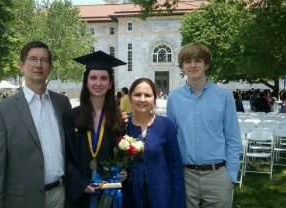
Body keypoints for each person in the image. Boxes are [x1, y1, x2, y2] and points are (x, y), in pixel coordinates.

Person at [0, 41, 71, 208]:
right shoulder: (2, 111)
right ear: (21, 66)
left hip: (60, 196)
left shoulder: (62, 103)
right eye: (33, 59)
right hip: (22, 200)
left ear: (50, 67)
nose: (38, 65)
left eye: (44, 60)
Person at [167, 42, 242, 208]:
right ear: (182, 67)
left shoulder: (224, 96)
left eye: (198, 61)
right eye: (188, 61)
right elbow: (171, 139)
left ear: (206, 64)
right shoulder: (174, 98)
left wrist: (230, 175)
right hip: (186, 176)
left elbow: (233, 138)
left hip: (217, 176)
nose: (193, 65)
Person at [63, 50, 127, 208]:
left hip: (108, 193)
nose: (98, 83)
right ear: (86, 82)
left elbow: (122, 155)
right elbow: (65, 156)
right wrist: (80, 182)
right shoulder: (71, 117)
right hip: (80, 193)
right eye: (93, 78)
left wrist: (123, 172)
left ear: (110, 83)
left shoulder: (118, 119)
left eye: (104, 78)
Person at [123, 78, 186, 208]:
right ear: (130, 98)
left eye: (147, 95)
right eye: (137, 94)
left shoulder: (165, 126)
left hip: (161, 195)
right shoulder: (123, 127)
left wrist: (177, 203)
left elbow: (175, 166)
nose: (142, 99)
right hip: (130, 197)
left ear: (154, 98)